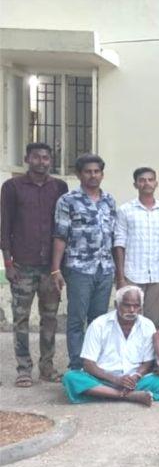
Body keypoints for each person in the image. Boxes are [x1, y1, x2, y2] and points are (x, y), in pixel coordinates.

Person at [1, 143, 68, 387]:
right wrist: (8, 263)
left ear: (51, 160)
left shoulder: (59, 187)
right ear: (27, 158)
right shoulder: (12, 187)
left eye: (46, 157)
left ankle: (46, 367)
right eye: (36, 157)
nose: (41, 161)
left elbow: (63, 226)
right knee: (21, 319)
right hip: (22, 266)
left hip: (51, 267)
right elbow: (4, 226)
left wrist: (60, 267)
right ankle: (23, 369)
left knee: (49, 318)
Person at [51, 154, 116, 371]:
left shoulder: (109, 201)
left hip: (105, 269)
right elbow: (60, 235)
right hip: (79, 269)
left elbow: (113, 236)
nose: (93, 175)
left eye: (97, 171)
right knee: (77, 320)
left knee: (99, 321)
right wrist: (55, 269)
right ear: (79, 174)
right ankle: (77, 366)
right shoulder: (68, 201)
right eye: (88, 171)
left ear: (102, 174)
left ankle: (95, 366)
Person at [61, 286, 159, 406]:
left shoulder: (147, 325)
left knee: (158, 381)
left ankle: (108, 394)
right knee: (71, 378)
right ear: (116, 305)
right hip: (103, 379)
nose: (132, 310)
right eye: (127, 305)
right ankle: (128, 396)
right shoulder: (99, 325)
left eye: (136, 306)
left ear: (141, 308)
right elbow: (88, 364)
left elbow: (147, 362)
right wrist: (116, 380)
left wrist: (136, 376)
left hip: (134, 381)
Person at [112, 167, 159, 329]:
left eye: (150, 180)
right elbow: (119, 244)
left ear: (156, 183)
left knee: (153, 323)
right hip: (131, 274)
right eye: (142, 180)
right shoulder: (125, 210)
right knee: (128, 321)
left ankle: (150, 347)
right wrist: (120, 278)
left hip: (157, 275)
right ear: (135, 184)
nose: (146, 183)